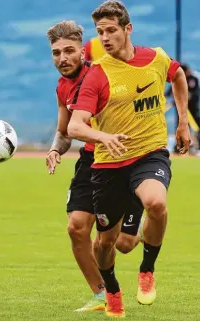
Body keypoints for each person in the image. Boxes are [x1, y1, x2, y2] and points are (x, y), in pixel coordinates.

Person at [67, 1, 191, 318]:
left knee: (157, 203)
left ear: (128, 29)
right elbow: (75, 125)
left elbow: (177, 77)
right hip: (109, 166)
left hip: (149, 154)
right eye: (100, 32)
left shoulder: (156, 58)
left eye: (111, 30)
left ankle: (147, 270)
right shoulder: (98, 75)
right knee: (108, 243)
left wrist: (182, 122)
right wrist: (103, 137)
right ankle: (111, 290)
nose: (105, 38)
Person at [46, 20, 143, 313]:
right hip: (91, 160)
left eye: (69, 51)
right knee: (77, 228)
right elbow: (64, 133)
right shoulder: (62, 87)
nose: (62, 58)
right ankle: (101, 295)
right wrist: (54, 149)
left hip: (124, 158)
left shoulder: (104, 74)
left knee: (124, 244)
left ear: (82, 50)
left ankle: (151, 207)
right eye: (55, 52)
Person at [166, 64, 200, 154]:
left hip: (193, 110)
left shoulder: (193, 79)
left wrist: (187, 96)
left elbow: (195, 93)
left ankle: (198, 147)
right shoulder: (177, 80)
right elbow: (169, 93)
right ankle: (179, 148)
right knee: (181, 127)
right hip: (181, 110)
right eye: (187, 70)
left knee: (197, 127)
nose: (189, 71)